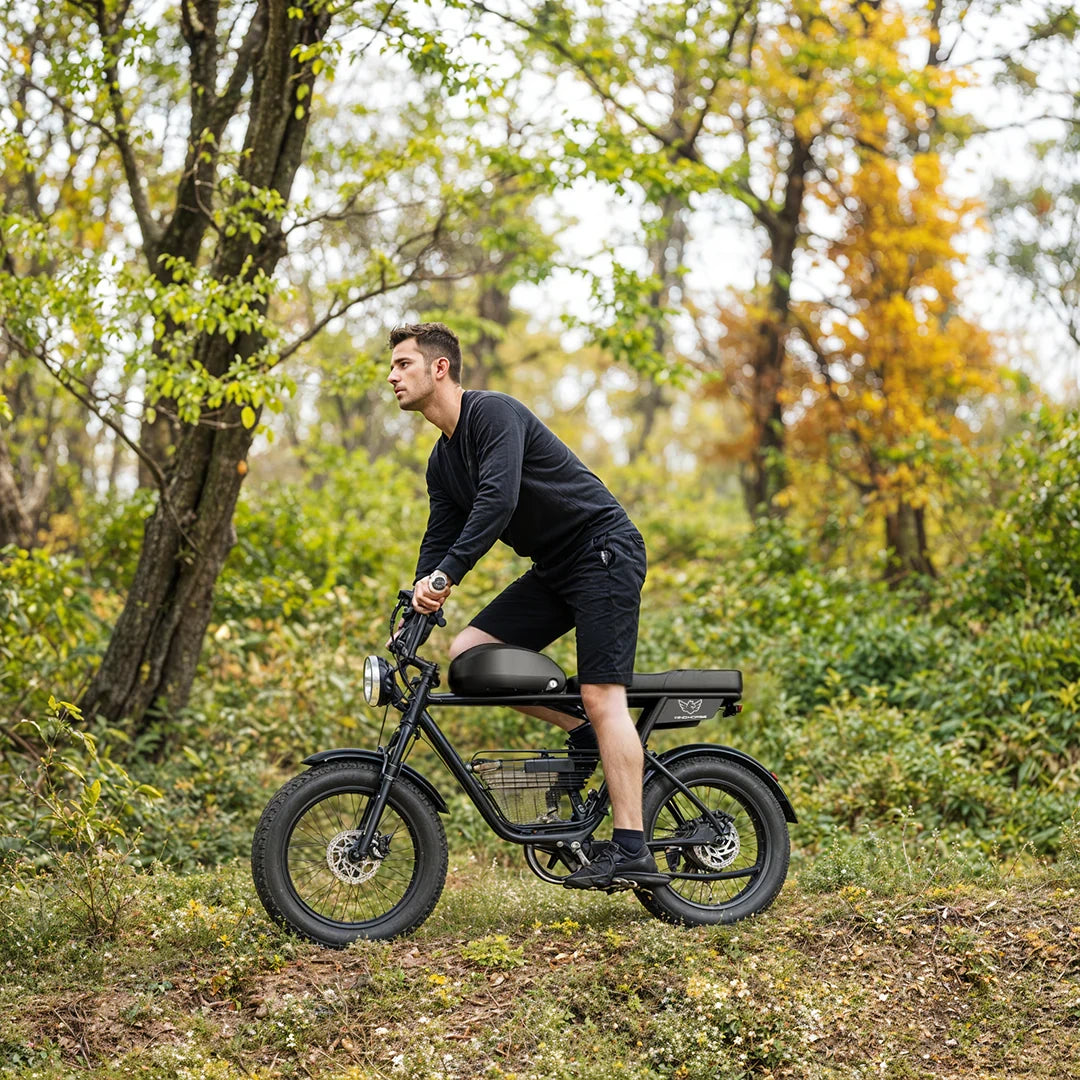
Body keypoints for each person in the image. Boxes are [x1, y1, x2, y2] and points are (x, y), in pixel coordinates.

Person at [387, 321, 669, 890]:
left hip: (602, 549)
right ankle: (584, 731)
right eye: (392, 368)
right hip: (555, 568)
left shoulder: (494, 415)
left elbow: (498, 500)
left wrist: (446, 576)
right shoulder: (442, 462)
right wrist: (417, 612)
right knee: (471, 655)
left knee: (601, 692)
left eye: (403, 365)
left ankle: (632, 847)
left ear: (439, 368)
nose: (392, 377)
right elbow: (440, 536)